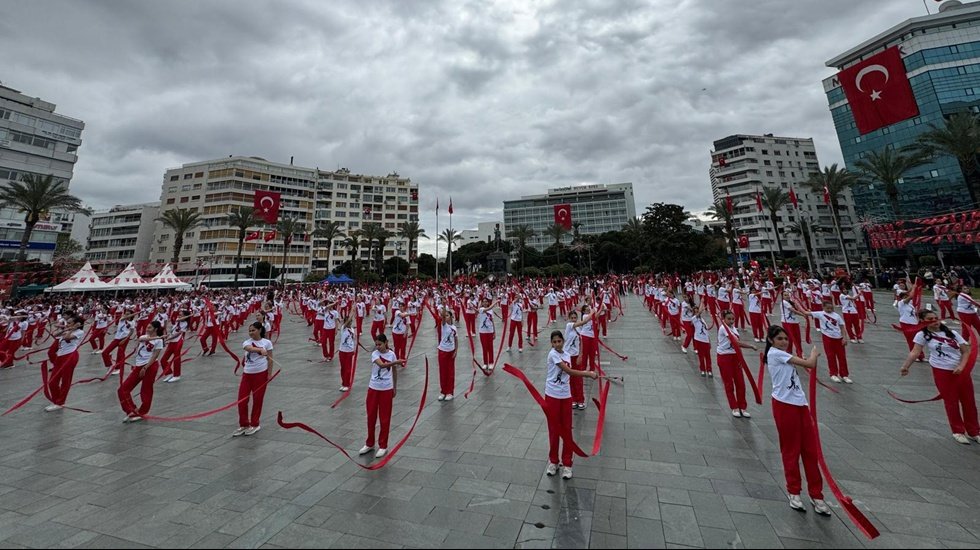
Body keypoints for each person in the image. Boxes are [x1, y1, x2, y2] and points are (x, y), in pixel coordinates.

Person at [763, 325, 831, 515]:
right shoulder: (775, 354)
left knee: (810, 451)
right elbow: (809, 364)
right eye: (780, 339)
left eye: (785, 339)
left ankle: (816, 494)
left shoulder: (783, 354)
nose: (784, 342)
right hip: (784, 406)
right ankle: (793, 491)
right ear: (771, 341)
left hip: (800, 404)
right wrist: (814, 354)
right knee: (791, 450)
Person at [900, 309, 979, 445]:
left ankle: (974, 431)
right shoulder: (922, 335)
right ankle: (958, 431)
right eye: (930, 319)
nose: (935, 321)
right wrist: (906, 366)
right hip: (942, 371)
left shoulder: (952, 333)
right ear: (923, 322)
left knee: (969, 401)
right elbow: (915, 352)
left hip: (961, 372)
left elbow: (966, 351)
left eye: (936, 318)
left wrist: (961, 366)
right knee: (951, 401)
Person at [543, 330, 599, 481]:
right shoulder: (552, 354)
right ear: (551, 343)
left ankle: (567, 464)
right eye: (554, 342)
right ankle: (553, 461)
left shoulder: (567, 354)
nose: (557, 344)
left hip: (565, 396)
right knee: (554, 430)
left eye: (559, 341)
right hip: (552, 395)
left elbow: (570, 373)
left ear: (563, 341)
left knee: (567, 430)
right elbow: (568, 371)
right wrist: (588, 373)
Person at [359, 334, 405, 458]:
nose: (378, 347)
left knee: (385, 418)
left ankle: (383, 445)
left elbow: (394, 371)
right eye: (376, 344)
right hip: (373, 388)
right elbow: (381, 365)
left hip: (386, 389)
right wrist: (397, 362)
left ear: (386, 343)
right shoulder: (375, 354)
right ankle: (369, 443)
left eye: (380, 344)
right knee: (371, 417)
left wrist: (395, 387)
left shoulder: (392, 354)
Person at [118, 321, 165, 423]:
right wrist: (158, 337)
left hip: (150, 366)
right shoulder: (146, 336)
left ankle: (142, 412)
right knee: (123, 389)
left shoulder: (159, 342)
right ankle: (131, 410)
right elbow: (141, 339)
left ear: (156, 329)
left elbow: (155, 356)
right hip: (138, 366)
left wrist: (146, 368)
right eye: (147, 327)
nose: (147, 329)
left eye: (150, 328)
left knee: (146, 390)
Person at [233, 322, 274, 437]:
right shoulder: (247, 342)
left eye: (253, 330)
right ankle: (244, 424)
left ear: (260, 330)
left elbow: (270, 360)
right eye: (250, 330)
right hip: (247, 375)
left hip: (261, 375)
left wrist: (269, 375)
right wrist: (260, 350)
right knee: (242, 400)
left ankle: (255, 424)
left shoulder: (267, 342)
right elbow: (248, 348)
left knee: (257, 400)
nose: (251, 332)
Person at [716, 310, 758, 418]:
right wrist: (750, 346)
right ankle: (734, 407)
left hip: (735, 356)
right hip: (724, 357)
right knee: (729, 383)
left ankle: (742, 407)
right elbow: (735, 342)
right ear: (724, 319)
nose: (731, 321)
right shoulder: (723, 328)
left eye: (732, 319)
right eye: (728, 319)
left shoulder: (733, 328)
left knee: (740, 383)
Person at [45, 314, 85, 412]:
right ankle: (57, 400)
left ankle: (60, 402)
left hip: (70, 356)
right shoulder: (67, 330)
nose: (67, 324)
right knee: (52, 381)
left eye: (70, 323)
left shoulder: (80, 331)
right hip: (60, 356)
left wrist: (72, 329)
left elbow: (67, 338)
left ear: (77, 324)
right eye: (67, 322)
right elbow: (55, 335)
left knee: (65, 381)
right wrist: (66, 328)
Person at [807, 300, 852, 384]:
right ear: (823, 307)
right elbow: (806, 313)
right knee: (831, 356)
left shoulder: (837, 316)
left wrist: (844, 338)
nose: (829, 310)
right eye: (827, 308)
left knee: (842, 356)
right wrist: (796, 305)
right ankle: (833, 374)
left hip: (838, 338)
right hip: (828, 338)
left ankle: (844, 375)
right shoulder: (820, 314)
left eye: (831, 308)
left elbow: (842, 327)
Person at [162, 310, 190, 383]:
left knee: (176, 358)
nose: (179, 316)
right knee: (163, 359)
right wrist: (168, 336)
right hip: (172, 341)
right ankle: (169, 373)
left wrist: (168, 338)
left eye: (181, 315)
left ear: (185, 317)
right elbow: (173, 331)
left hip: (178, 341)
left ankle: (177, 375)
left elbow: (178, 334)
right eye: (179, 314)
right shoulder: (177, 321)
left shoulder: (185, 323)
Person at [437, 308, 458, 401]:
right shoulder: (443, 325)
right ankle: (443, 391)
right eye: (444, 316)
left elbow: (456, 340)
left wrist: (456, 351)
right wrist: (444, 304)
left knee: (450, 372)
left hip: (451, 351)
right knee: (443, 372)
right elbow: (442, 316)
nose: (445, 317)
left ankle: (450, 392)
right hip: (442, 351)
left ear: (451, 317)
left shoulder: (454, 328)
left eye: (447, 315)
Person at [477, 297, 499, 371]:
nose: (485, 303)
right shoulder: (481, 310)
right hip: (482, 332)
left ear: (488, 302)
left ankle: (491, 362)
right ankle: (485, 363)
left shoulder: (491, 311)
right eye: (484, 302)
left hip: (490, 331)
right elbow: (488, 309)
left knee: (490, 347)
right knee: (484, 348)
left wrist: (494, 332)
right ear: (482, 303)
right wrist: (495, 303)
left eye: (486, 301)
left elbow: (492, 321)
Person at [337, 315, 357, 392]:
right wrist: (352, 312)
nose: (350, 322)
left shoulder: (352, 329)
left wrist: (354, 349)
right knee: (343, 368)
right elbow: (347, 321)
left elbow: (353, 340)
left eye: (351, 321)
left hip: (349, 351)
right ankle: (343, 383)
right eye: (349, 321)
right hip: (342, 351)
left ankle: (347, 384)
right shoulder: (343, 328)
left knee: (348, 369)